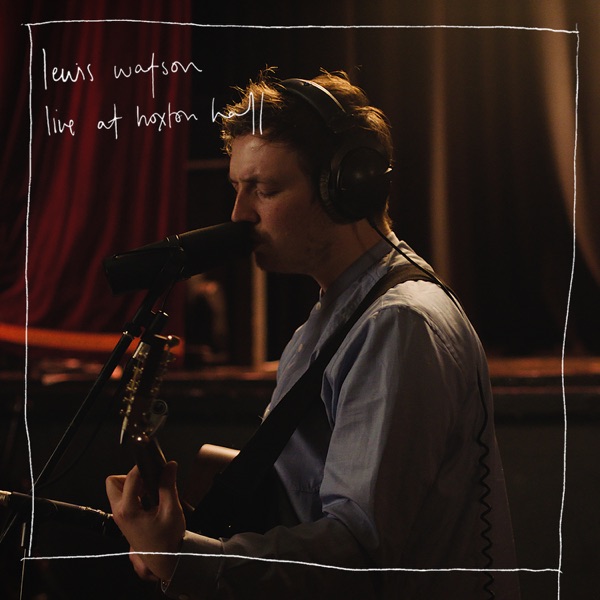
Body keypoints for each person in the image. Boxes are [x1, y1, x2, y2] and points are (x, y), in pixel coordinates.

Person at [106, 70, 520, 599]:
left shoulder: (397, 325)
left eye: (265, 190)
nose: (239, 214)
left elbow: (357, 549)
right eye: (237, 188)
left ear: (345, 187)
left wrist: (186, 560)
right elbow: (312, 500)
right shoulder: (336, 317)